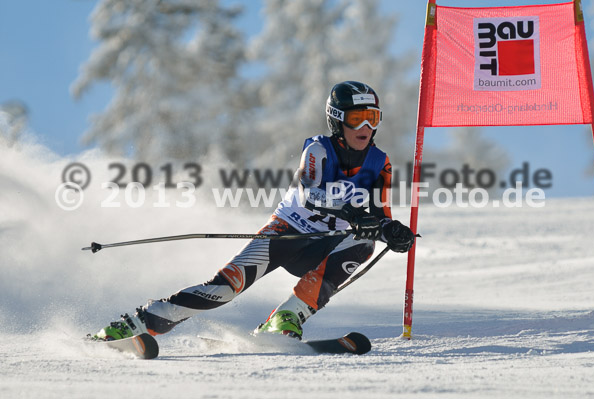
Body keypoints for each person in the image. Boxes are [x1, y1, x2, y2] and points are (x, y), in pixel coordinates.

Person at [93, 81, 415, 341]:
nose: (367, 126)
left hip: (323, 244)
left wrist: (392, 231)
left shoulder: (378, 162)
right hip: (286, 233)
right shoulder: (319, 149)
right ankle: (138, 323)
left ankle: (286, 318)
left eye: (373, 117)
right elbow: (310, 194)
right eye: (357, 118)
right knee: (222, 290)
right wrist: (353, 213)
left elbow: (380, 212)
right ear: (337, 119)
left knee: (364, 244)